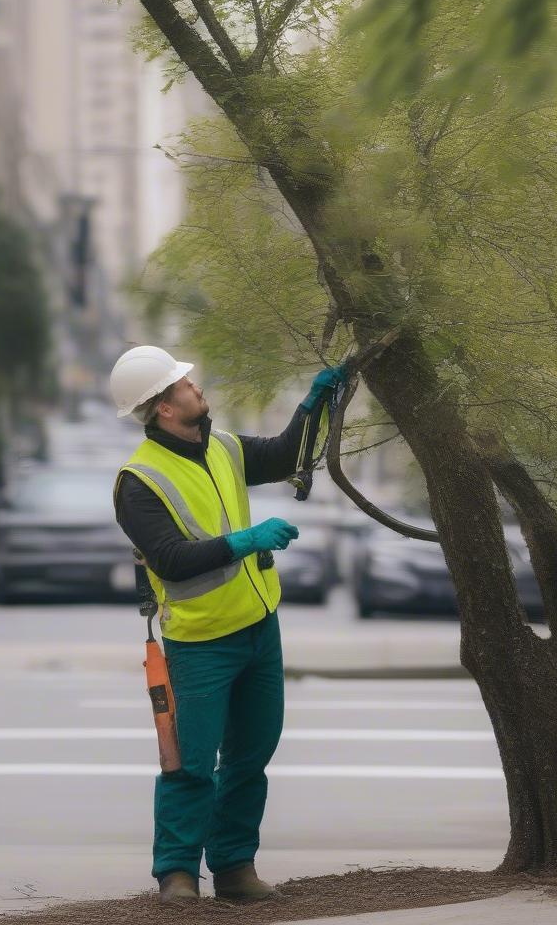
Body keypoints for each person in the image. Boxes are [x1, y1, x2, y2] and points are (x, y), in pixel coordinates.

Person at [109, 345, 347, 906]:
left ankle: (235, 868)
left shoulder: (224, 447)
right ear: (165, 408)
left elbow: (288, 455)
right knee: (191, 764)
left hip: (259, 630)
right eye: (184, 384)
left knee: (250, 756)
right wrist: (245, 540)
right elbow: (169, 558)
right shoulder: (138, 480)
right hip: (200, 644)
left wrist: (313, 405)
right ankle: (176, 875)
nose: (195, 386)